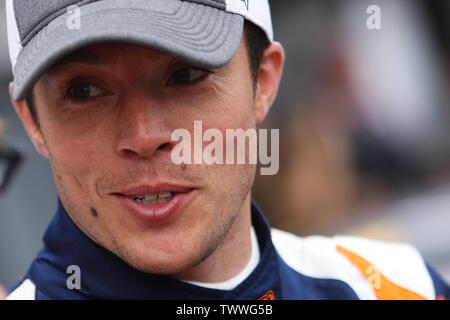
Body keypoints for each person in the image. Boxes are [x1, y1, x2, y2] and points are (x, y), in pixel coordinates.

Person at [5, 0, 450, 300]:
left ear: (265, 82)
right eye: (84, 90)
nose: (143, 136)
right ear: (32, 120)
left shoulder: (396, 286)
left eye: (184, 75)